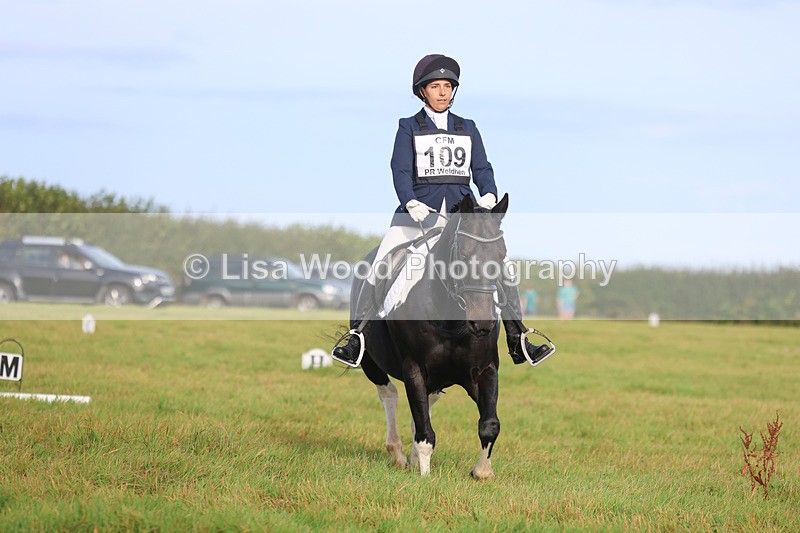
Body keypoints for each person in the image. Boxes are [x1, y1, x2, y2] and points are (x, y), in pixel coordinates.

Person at [333, 54, 554, 366]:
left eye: (447, 86)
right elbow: (400, 170)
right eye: (435, 86)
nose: (442, 92)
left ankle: (518, 338)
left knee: (504, 268)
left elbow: (482, 168)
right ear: (422, 91)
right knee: (380, 263)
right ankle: (358, 336)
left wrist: (489, 194)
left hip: (462, 219)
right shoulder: (409, 126)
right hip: (416, 216)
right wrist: (410, 201)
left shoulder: (468, 127)